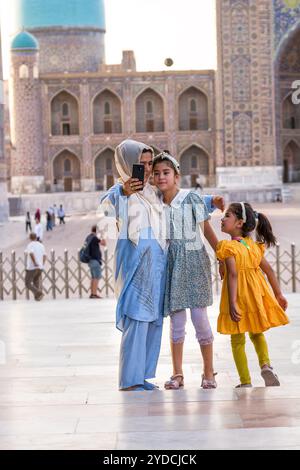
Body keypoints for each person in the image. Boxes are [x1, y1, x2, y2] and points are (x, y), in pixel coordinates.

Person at [101, 139, 223, 392]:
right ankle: (129, 379)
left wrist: (212, 200)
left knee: (153, 321)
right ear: (127, 164)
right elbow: (108, 206)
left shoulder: (152, 191)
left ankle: (142, 376)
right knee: (136, 318)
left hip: (159, 267)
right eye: (142, 164)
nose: (147, 170)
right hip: (136, 266)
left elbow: (180, 198)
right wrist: (124, 191)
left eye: (149, 164)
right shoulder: (122, 191)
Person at [152, 152, 221, 390]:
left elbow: (207, 230)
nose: (161, 177)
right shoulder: (155, 204)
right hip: (172, 264)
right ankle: (177, 373)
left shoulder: (190, 198)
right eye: (157, 173)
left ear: (176, 176)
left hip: (194, 261)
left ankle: (208, 371)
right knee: (177, 321)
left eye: (166, 173)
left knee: (200, 318)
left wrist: (221, 256)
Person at [216, 202, 289, 388]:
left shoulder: (228, 247)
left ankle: (245, 381)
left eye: (227, 216)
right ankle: (265, 365)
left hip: (238, 296)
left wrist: (232, 302)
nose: (222, 219)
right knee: (257, 333)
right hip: (255, 295)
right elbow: (270, 271)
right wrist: (278, 294)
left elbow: (232, 274)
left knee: (237, 339)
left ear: (239, 223)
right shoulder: (252, 246)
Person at [85, 225, 106, 299]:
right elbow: (104, 243)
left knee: (93, 277)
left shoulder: (88, 237)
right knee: (96, 277)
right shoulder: (94, 238)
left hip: (90, 260)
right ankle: (94, 294)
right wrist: (102, 235)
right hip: (95, 260)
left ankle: (92, 293)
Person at [25, 232, 46, 301]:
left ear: (30, 238)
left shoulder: (30, 245)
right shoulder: (41, 245)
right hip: (40, 267)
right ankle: (37, 298)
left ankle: (39, 293)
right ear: (36, 237)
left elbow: (31, 253)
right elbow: (44, 256)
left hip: (32, 268)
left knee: (27, 282)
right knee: (36, 281)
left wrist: (35, 263)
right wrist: (42, 264)